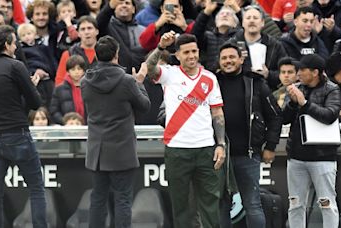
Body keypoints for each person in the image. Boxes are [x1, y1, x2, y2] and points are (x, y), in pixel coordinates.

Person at [146, 32, 226, 228]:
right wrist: (160, 47)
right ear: (178, 55)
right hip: (177, 150)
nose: (191, 56)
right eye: (186, 52)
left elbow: (217, 113)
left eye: (194, 51)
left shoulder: (210, 78)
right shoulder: (169, 74)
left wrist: (221, 144)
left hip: (206, 149)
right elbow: (149, 68)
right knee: (180, 206)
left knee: (210, 205)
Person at [0, 25, 46, 228]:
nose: (16, 47)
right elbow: (35, 103)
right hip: (18, 135)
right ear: (7, 45)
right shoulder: (16, 66)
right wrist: (31, 86)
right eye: (14, 43)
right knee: (36, 188)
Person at [81, 35, 150, 228]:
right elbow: (145, 106)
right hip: (122, 151)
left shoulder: (86, 82)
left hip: (97, 152)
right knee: (123, 200)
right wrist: (140, 82)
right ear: (116, 55)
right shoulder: (128, 81)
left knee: (97, 199)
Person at [216, 41, 283, 228]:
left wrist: (270, 146)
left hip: (249, 154)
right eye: (224, 58)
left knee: (253, 204)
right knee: (221, 205)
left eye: (232, 57)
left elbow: (276, 116)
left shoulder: (256, 83)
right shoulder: (212, 82)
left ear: (240, 59)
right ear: (219, 61)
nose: (228, 61)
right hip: (220, 157)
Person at [282, 54, 341, 228]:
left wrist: (304, 102)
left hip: (323, 157)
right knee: (295, 204)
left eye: (302, 69)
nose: (298, 73)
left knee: (327, 204)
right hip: (296, 156)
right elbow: (284, 119)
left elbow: (330, 115)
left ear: (315, 72)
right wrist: (292, 104)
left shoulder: (332, 89)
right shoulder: (297, 88)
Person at [232, 4, 287, 90]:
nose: (252, 21)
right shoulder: (232, 44)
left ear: (262, 23)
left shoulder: (275, 45)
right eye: (248, 18)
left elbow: (286, 72)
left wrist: (268, 74)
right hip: (239, 90)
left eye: (255, 18)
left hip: (267, 91)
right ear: (242, 22)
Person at [96, 0, 148, 74]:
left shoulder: (143, 30)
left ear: (133, 9)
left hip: (140, 76)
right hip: (116, 76)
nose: (124, 5)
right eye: (120, 3)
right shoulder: (108, 27)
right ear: (114, 9)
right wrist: (109, 7)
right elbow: (99, 24)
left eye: (127, 3)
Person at [191, 1, 243, 73]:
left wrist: (237, 10)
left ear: (235, 23)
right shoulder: (208, 36)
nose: (224, 15)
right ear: (216, 22)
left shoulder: (239, 35)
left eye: (229, 14)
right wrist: (206, 12)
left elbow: (247, 27)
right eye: (221, 14)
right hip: (212, 75)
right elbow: (195, 35)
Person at [55, 15, 98, 86]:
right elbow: (59, 82)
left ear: (97, 31)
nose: (86, 32)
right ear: (78, 33)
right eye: (83, 29)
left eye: (89, 28)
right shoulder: (68, 54)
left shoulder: (106, 52)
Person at [50, 54, 86, 125]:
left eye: (79, 69)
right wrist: (65, 121)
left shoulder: (90, 89)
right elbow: (54, 111)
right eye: (73, 69)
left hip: (87, 128)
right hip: (67, 129)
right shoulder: (59, 89)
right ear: (68, 71)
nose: (76, 72)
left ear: (83, 71)